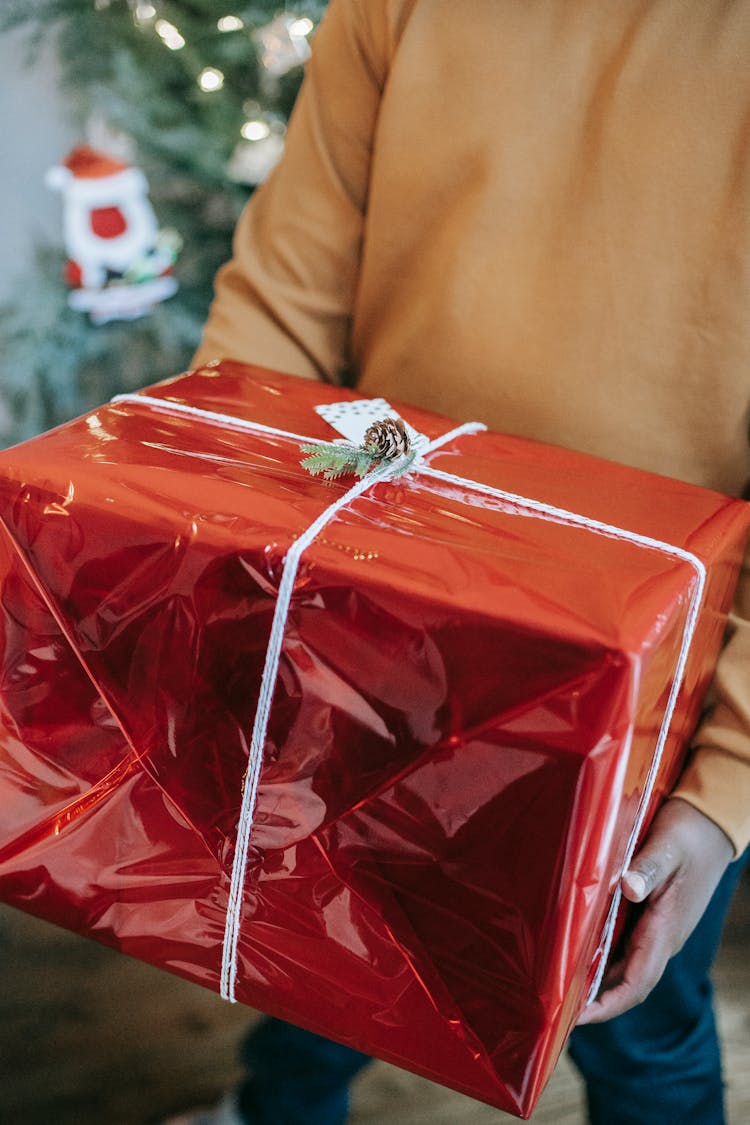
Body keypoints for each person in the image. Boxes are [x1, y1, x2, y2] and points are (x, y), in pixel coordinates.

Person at [163, 2, 750, 1122]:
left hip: (652, 706)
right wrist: (233, 582)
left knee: (633, 1022)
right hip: (366, 615)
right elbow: (282, 307)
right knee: (327, 921)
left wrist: (726, 789)